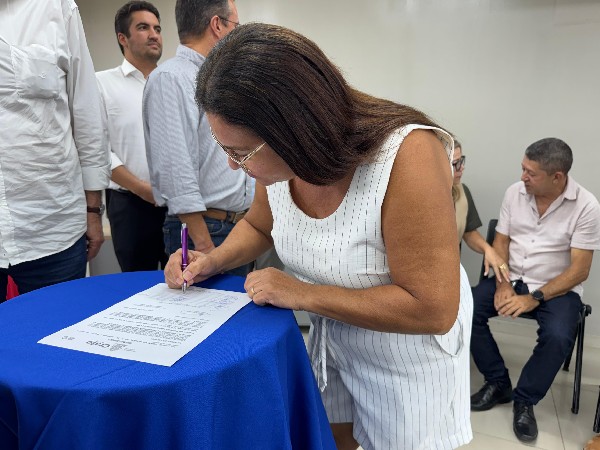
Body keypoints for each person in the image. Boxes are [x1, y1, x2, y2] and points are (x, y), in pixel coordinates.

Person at [164, 23, 473, 450]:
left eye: (241, 153)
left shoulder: (409, 154)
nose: (234, 166)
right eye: (225, 150)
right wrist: (211, 259)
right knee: (327, 439)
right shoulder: (279, 165)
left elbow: (433, 307)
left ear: (294, 130)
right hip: (335, 341)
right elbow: (259, 225)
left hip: (407, 356)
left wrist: (302, 294)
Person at [470, 138, 600, 443]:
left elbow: (579, 270)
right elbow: (501, 241)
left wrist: (534, 298)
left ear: (557, 177)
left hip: (557, 287)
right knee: (466, 308)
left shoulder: (587, 207)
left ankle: (525, 400)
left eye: (531, 173)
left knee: (558, 335)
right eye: (523, 168)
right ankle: (498, 383)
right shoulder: (514, 193)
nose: (523, 177)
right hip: (512, 276)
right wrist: (503, 283)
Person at [0, 0, 110, 301]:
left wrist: (93, 210)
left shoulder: (56, 7)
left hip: (52, 230)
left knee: (60, 326)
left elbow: (87, 113)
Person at [143, 0, 253, 276]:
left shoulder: (221, 78)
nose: (237, 33)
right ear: (217, 25)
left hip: (239, 229)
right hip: (206, 232)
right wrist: (204, 244)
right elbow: (176, 170)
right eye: (236, 25)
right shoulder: (171, 78)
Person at [97, 1, 168, 272]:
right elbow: (97, 149)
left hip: (178, 203)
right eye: (143, 27)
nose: (154, 34)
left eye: (157, 28)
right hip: (130, 206)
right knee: (139, 284)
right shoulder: (102, 84)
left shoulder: (173, 82)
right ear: (122, 38)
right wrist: (142, 189)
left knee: (187, 281)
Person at [452, 139, 509, 281]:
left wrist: (487, 249)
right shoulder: (415, 198)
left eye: (461, 161)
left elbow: (468, 232)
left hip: (450, 274)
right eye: (455, 164)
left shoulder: (461, 193)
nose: (461, 168)